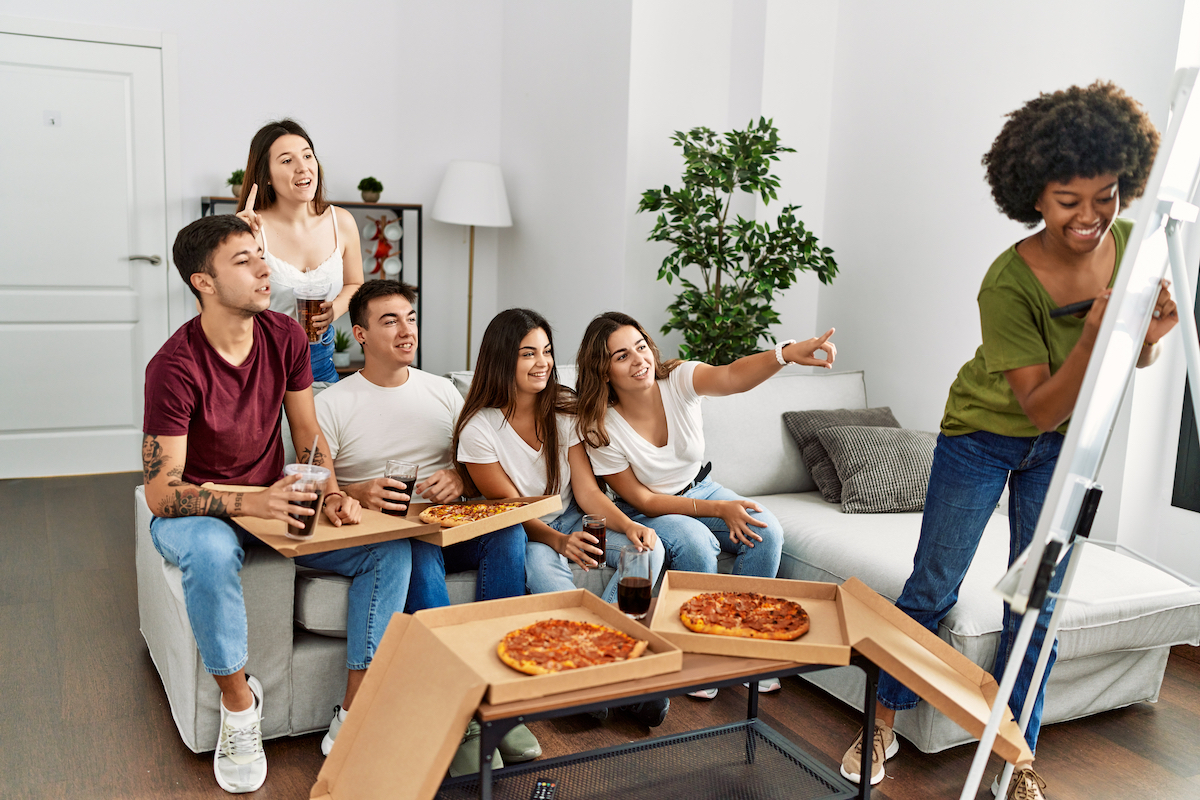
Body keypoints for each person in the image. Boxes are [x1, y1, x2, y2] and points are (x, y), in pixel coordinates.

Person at [838, 82, 1173, 800]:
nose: (1090, 216)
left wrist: (1145, 341)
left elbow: (1116, 369)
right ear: (1033, 194)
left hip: (1061, 449)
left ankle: (1017, 757)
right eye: (1067, 200)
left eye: (1106, 196)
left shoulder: (1127, 246)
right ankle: (884, 721)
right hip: (984, 436)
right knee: (934, 586)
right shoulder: (1007, 282)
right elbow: (1042, 404)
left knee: (1038, 603)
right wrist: (1092, 335)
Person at [143, 215, 412, 794]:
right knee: (213, 552)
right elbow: (162, 493)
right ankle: (240, 709)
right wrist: (254, 501)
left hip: (273, 502)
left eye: (261, 255)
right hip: (197, 515)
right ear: (203, 283)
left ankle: (354, 714)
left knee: (387, 548)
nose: (266, 268)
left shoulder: (287, 338)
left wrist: (333, 491)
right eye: (244, 260)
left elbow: (309, 433)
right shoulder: (173, 366)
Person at [314, 279, 536, 773]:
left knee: (509, 532)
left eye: (410, 318)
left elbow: (476, 461)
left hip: (448, 525)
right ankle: (463, 713)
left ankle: (501, 697)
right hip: (390, 536)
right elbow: (320, 489)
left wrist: (458, 477)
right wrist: (356, 492)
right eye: (389, 320)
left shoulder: (443, 392)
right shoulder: (330, 403)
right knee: (416, 552)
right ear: (360, 334)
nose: (405, 329)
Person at [575, 311, 836, 698]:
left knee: (767, 531)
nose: (639, 361)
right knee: (696, 543)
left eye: (641, 347)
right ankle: (697, 657)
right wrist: (716, 512)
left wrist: (785, 354)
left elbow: (731, 376)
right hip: (650, 510)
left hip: (703, 488)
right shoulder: (603, 426)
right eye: (622, 356)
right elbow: (642, 497)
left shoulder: (679, 379)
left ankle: (745, 648)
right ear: (604, 371)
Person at [453, 308, 670, 727]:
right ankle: (600, 681)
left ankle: (599, 664)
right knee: (541, 571)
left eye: (547, 351)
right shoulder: (478, 430)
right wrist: (557, 542)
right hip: (528, 533)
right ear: (502, 360)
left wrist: (628, 526)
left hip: (574, 518)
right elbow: (511, 508)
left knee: (651, 549)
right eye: (528, 354)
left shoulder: (563, 409)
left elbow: (587, 491)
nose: (543, 363)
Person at [236, 119, 364, 384]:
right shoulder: (252, 228)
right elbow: (218, 305)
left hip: (320, 362)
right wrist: (234, 241)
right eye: (286, 161)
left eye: (307, 155)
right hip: (263, 366)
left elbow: (355, 283)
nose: (303, 167)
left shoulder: (341, 222)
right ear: (266, 176)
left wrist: (334, 310)